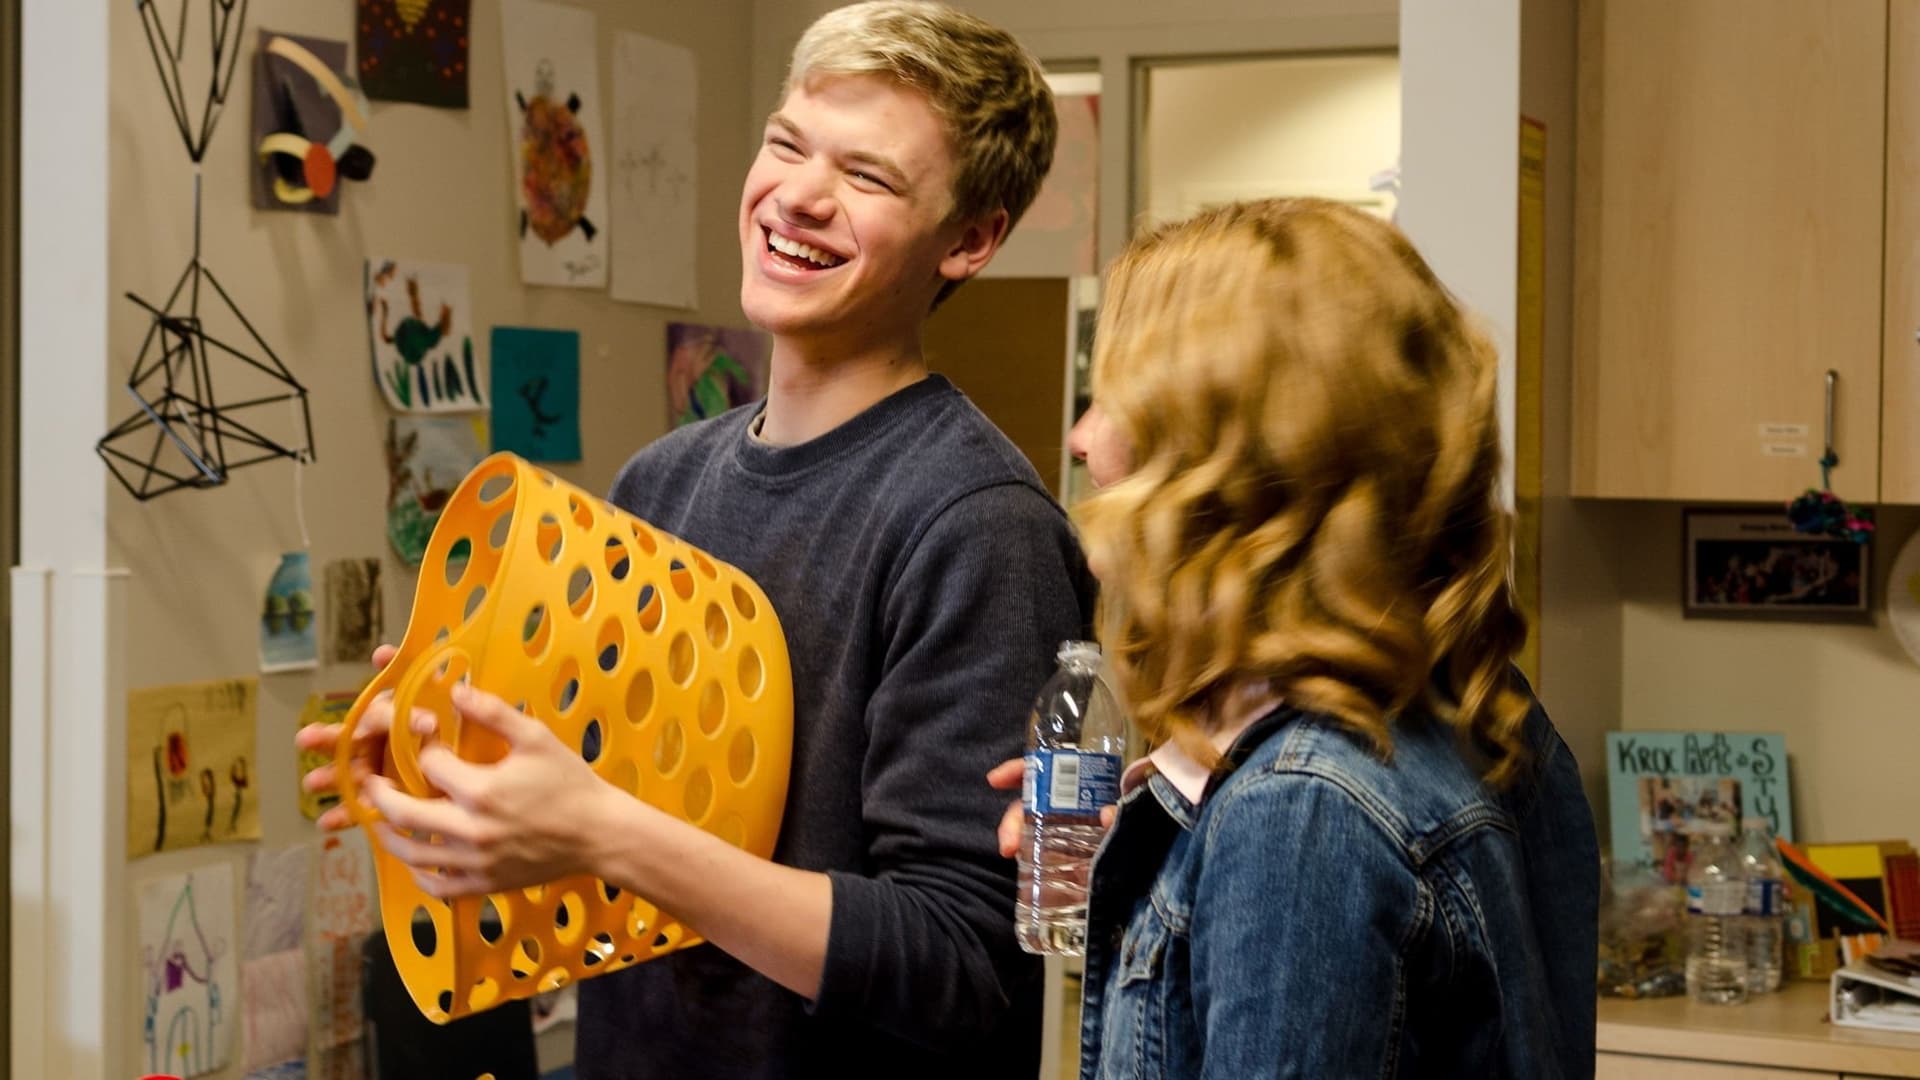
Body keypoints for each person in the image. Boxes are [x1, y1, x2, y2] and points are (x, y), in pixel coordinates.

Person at [298, 4, 1093, 1077]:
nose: (798, 195)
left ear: (971, 239)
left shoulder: (980, 526)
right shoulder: (661, 480)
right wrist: (453, 763)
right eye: (786, 143)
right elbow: (590, 863)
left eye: (868, 177)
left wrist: (600, 830)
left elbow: (967, 966)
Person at [992, 198, 1600, 1077]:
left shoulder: (1300, 813)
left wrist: (1245, 861)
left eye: (1116, 400)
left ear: (1230, 460)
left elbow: (1315, 858)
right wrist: (1159, 864)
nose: (1082, 439)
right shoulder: (1486, 707)